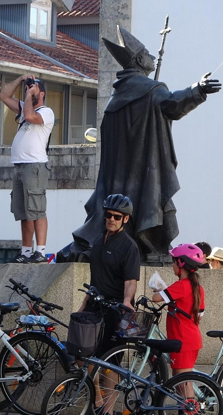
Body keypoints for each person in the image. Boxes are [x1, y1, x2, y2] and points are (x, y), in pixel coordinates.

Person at [60, 26, 221, 264]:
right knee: (149, 206)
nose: (152, 57)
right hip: (144, 172)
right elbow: (173, 105)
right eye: (146, 53)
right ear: (137, 59)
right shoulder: (149, 90)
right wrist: (197, 90)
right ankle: (151, 248)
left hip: (118, 176)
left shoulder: (117, 98)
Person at [77, 194, 140, 415]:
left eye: (116, 216)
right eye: (108, 215)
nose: (110, 219)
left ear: (125, 219)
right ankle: (97, 398)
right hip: (95, 306)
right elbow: (95, 277)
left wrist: (125, 302)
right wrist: (83, 304)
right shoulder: (98, 240)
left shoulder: (129, 246)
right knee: (80, 354)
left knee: (110, 363)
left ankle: (109, 411)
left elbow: (130, 280)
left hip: (115, 310)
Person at [0, 75, 54, 264]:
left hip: (35, 166)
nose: (29, 89)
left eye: (33, 88)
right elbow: (4, 96)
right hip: (20, 165)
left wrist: (31, 95)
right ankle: (26, 251)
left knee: (37, 209)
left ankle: (40, 250)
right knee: (23, 211)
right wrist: (21, 79)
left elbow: (31, 117)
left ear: (42, 93)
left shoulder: (46, 112)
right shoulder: (24, 109)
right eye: (28, 88)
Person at [152, 244, 205, 379]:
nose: (172, 266)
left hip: (182, 341)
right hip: (191, 339)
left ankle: (192, 401)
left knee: (184, 383)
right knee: (178, 382)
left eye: (173, 262)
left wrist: (159, 289)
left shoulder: (181, 285)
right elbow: (199, 315)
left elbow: (156, 298)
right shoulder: (198, 288)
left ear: (181, 263)